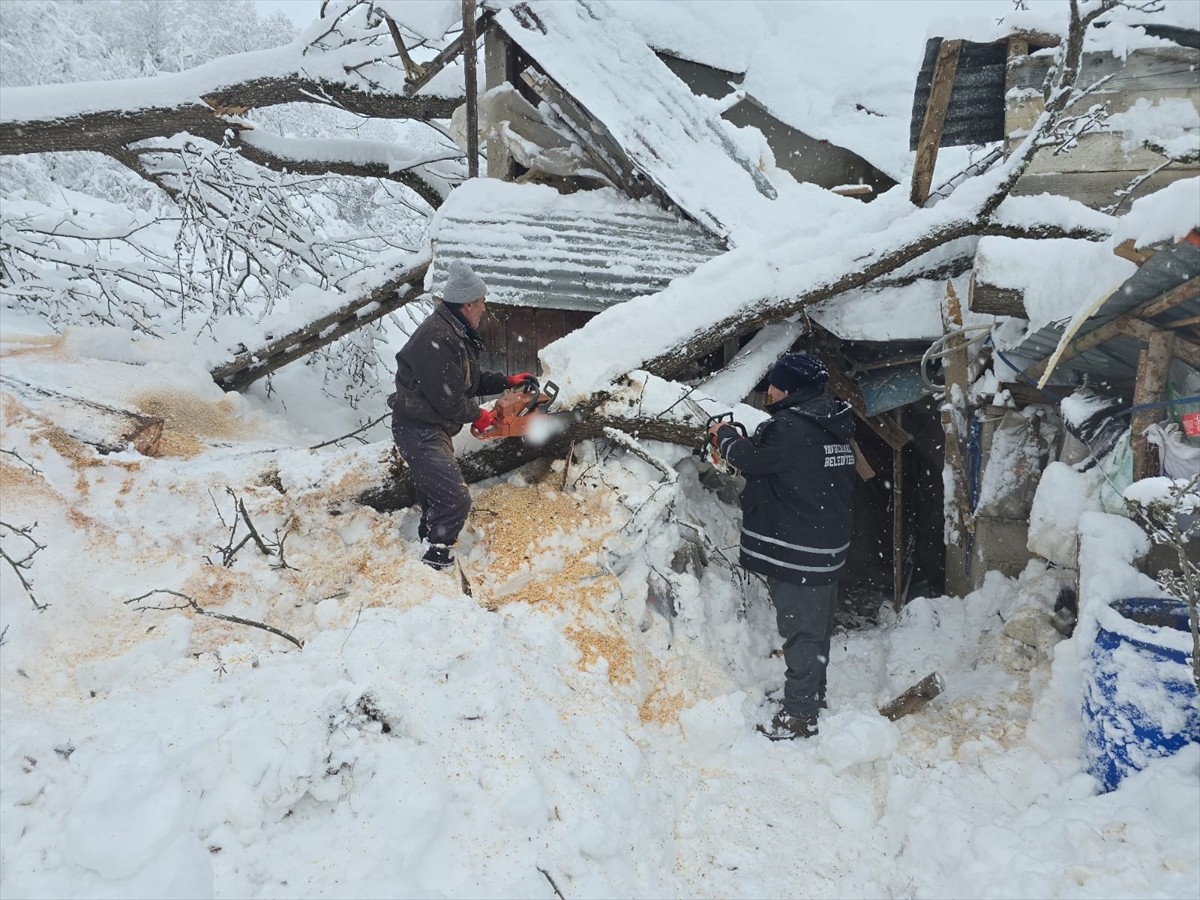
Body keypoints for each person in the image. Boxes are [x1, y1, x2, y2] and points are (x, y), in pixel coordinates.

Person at [708, 352, 856, 740]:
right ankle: (810, 695)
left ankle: (799, 715)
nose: (768, 390)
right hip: (825, 542)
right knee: (817, 628)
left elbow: (745, 458)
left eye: (773, 384)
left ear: (790, 388)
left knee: (800, 632)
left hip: (799, 550)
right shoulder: (832, 420)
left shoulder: (790, 428)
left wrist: (724, 436)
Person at [389, 260, 532, 570]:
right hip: (418, 429)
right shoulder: (437, 338)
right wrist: (476, 415)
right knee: (455, 498)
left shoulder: (453, 330)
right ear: (468, 304)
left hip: (429, 426)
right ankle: (435, 557)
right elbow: (450, 399)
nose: (484, 308)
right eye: (481, 303)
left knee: (433, 493)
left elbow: (469, 380)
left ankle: (428, 538)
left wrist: (507, 381)